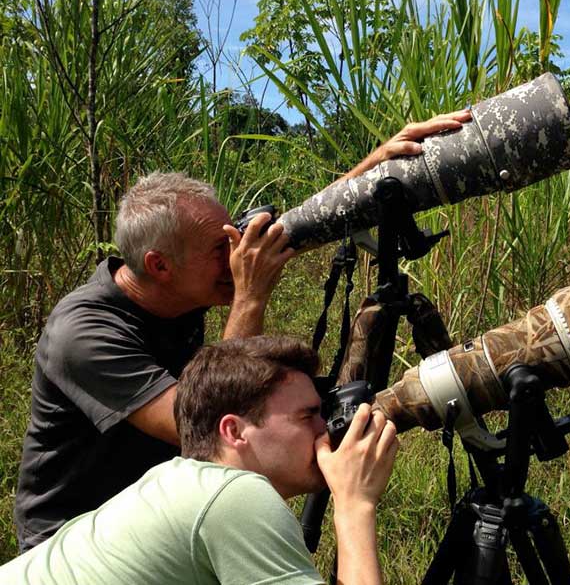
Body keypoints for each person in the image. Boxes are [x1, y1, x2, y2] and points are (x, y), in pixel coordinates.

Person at [14, 111, 472, 551]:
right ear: (160, 265)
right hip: (78, 542)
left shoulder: (178, 283)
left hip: (160, 508)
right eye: (221, 246)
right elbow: (206, 427)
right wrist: (250, 297)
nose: (237, 251)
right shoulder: (85, 334)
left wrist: (375, 170)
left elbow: (289, 230)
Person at [1, 335, 398, 584]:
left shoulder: (178, 483)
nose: (324, 429)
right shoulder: (234, 496)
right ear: (234, 431)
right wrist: (354, 505)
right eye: (307, 415)